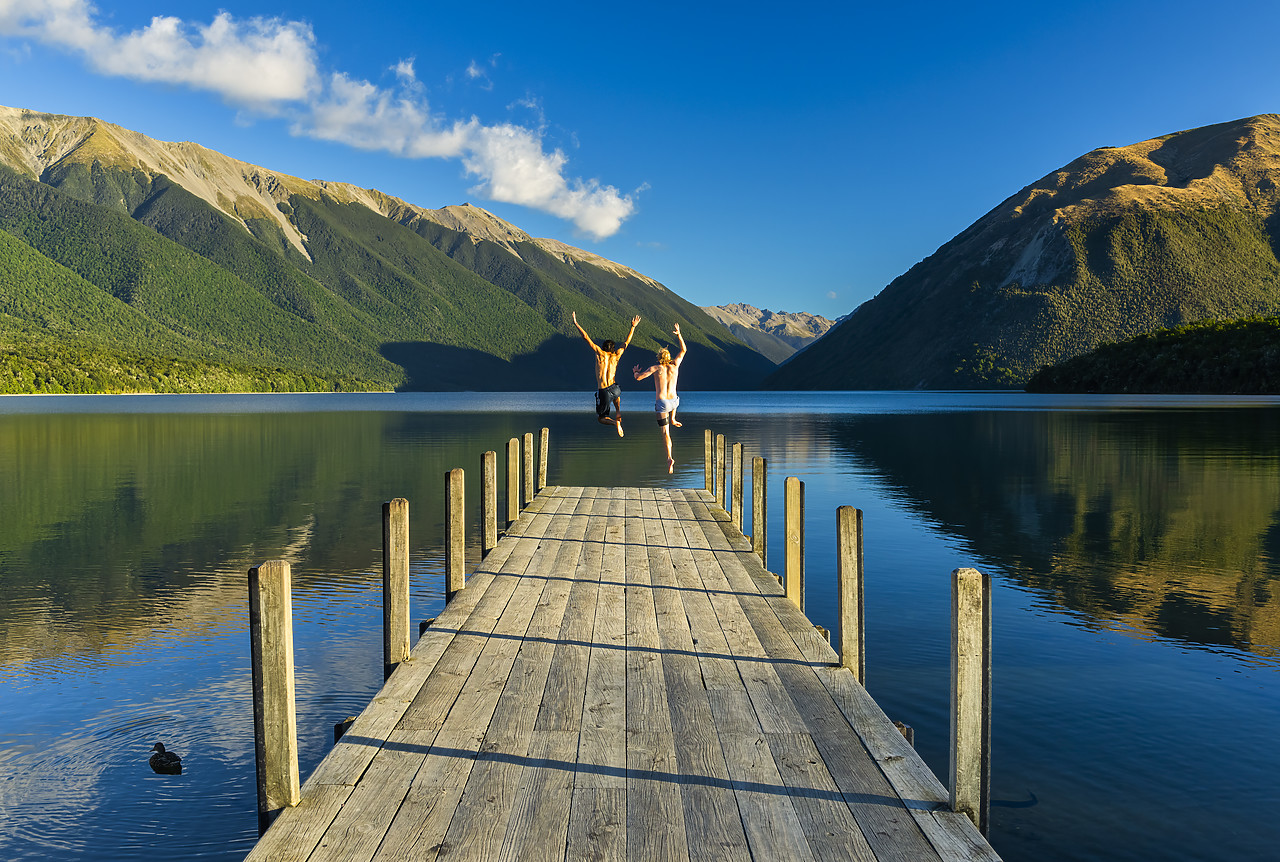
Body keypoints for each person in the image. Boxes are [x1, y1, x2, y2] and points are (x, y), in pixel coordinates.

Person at [572, 311, 640, 437]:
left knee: (601, 418)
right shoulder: (616, 355)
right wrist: (633, 327)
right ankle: (618, 411)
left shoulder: (599, 353)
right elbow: (626, 343)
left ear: (603, 347)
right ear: (613, 349)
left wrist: (576, 323)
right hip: (615, 388)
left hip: (603, 390)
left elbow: (586, 337)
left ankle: (615, 423)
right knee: (616, 394)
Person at [633, 322, 687, 473]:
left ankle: (669, 457)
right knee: (675, 402)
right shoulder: (675, 365)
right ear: (669, 357)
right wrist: (679, 334)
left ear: (658, 358)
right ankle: (674, 418)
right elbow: (684, 350)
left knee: (665, 433)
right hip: (674, 402)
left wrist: (635, 372)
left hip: (662, 403)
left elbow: (638, 378)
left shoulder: (655, 368)